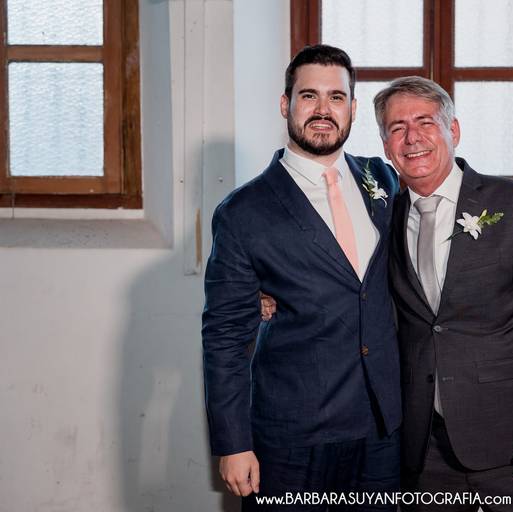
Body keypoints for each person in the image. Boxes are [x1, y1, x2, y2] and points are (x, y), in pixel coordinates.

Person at [201, 45, 401, 511]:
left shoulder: (384, 180)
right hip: (292, 437)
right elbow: (224, 335)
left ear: (353, 108)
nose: (323, 110)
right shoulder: (243, 211)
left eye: (336, 97)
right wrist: (234, 443)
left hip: (381, 431)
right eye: (309, 96)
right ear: (285, 104)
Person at [373, 76, 513, 511]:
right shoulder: (382, 216)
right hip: (423, 451)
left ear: (453, 130)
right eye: (397, 127)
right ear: (386, 145)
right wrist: (270, 296)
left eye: (425, 122)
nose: (412, 138)